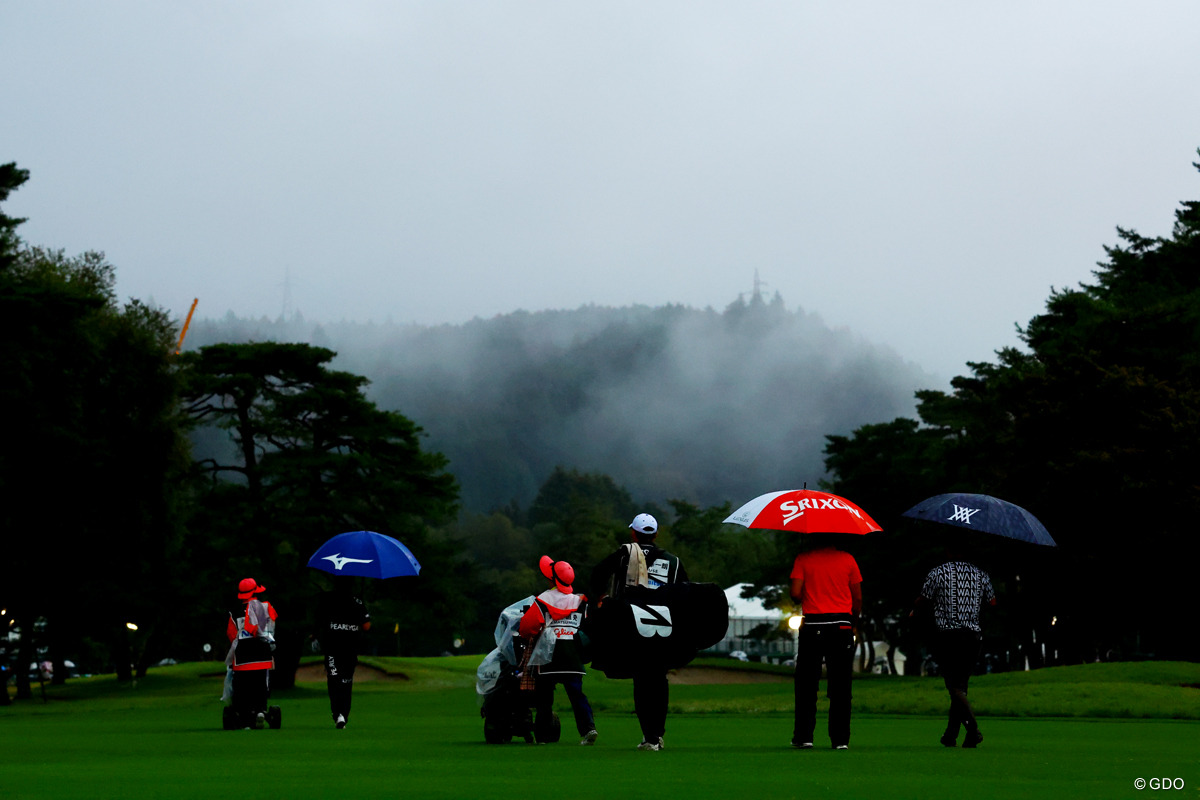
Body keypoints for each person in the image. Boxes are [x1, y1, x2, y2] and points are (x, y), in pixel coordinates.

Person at [590, 512, 688, 751]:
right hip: (664, 627)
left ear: (633, 533)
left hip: (633, 626)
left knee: (641, 679)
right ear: (656, 534)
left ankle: (649, 736)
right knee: (659, 679)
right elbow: (685, 592)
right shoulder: (673, 561)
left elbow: (597, 573)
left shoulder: (624, 554)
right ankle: (657, 735)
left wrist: (601, 598)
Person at [911, 552, 996, 748]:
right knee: (961, 686)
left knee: (953, 686)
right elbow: (992, 602)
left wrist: (915, 611)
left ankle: (973, 729)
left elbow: (923, 598)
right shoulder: (980, 574)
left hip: (949, 636)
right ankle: (951, 734)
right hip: (973, 636)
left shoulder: (938, 572)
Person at [789, 533, 862, 750]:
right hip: (841, 625)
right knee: (841, 684)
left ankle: (804, 736)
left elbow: (795, 593)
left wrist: (806, 592)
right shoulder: (848, 559)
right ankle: (840, 739)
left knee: (806, 683)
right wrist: (854, 621)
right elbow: (857, 598)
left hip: (813, 626)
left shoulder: (803, 558)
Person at [519, 556, 597, 746]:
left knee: (544, 698)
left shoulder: (542, 600)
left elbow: (526, 627)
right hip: (573, 657)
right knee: (577, 695)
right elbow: (589, 627)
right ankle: (588, 729)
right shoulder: (580, 601)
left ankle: (543, 737)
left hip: (547, 656)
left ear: (553, 580)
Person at [315, 576, 371, 729]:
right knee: (346, 682)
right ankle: (343, 715)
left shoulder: (328, 600)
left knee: (334, 680)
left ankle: (338, 714)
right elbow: (366, 626)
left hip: (332, 647)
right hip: (350, 648)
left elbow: (318, 620)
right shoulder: (357, 602)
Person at [225, 577, 278, 727]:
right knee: (261, 685)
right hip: (262, 656)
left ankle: (245, 716)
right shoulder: (266, 607)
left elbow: (231, 634)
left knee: (242, 688)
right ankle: (261, 710)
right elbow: (271, 628)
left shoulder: (234, 612)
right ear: (256, 592)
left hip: (242, 658)